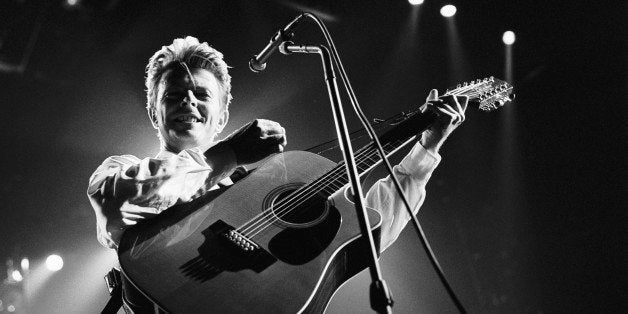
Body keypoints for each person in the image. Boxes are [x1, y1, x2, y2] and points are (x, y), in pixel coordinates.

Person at [87, 36, 467, 311]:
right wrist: (230, 153)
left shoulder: (261, 185)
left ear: (220, 117)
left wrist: (424, 151)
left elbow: (364, 229)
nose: (188, 100)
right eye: (173, 95)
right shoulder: (119, 172)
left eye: (202, 95)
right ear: (155, 114)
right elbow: (126, 202)